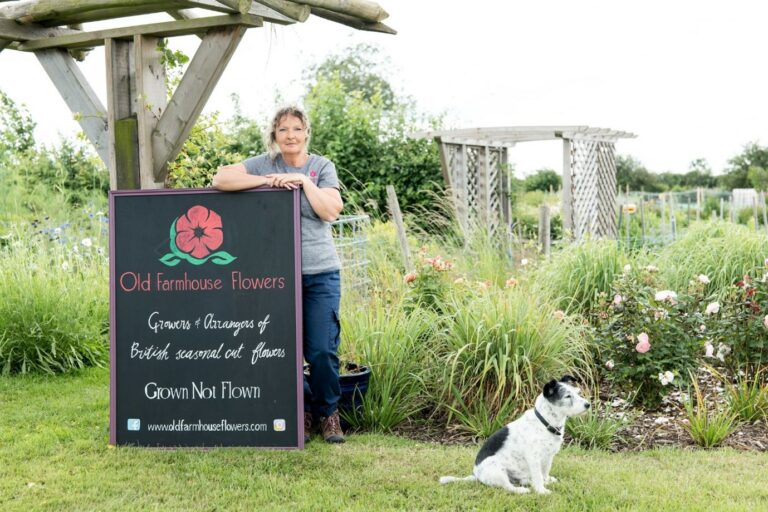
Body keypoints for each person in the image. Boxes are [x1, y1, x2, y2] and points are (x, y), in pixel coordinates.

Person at [212, 105, 345, 444]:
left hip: (320, 273)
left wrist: (302, 182)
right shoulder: (265, 164)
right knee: (284, 348)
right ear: (274, 135)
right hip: (278, 276)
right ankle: (301, 411)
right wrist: (266, 181)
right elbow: (221, 179)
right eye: (283, 129)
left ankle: (329, 414)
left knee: (321, 350)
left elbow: (330, 210)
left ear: (306, 133)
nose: (290, 135)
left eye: (296, 129)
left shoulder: (321, 167)